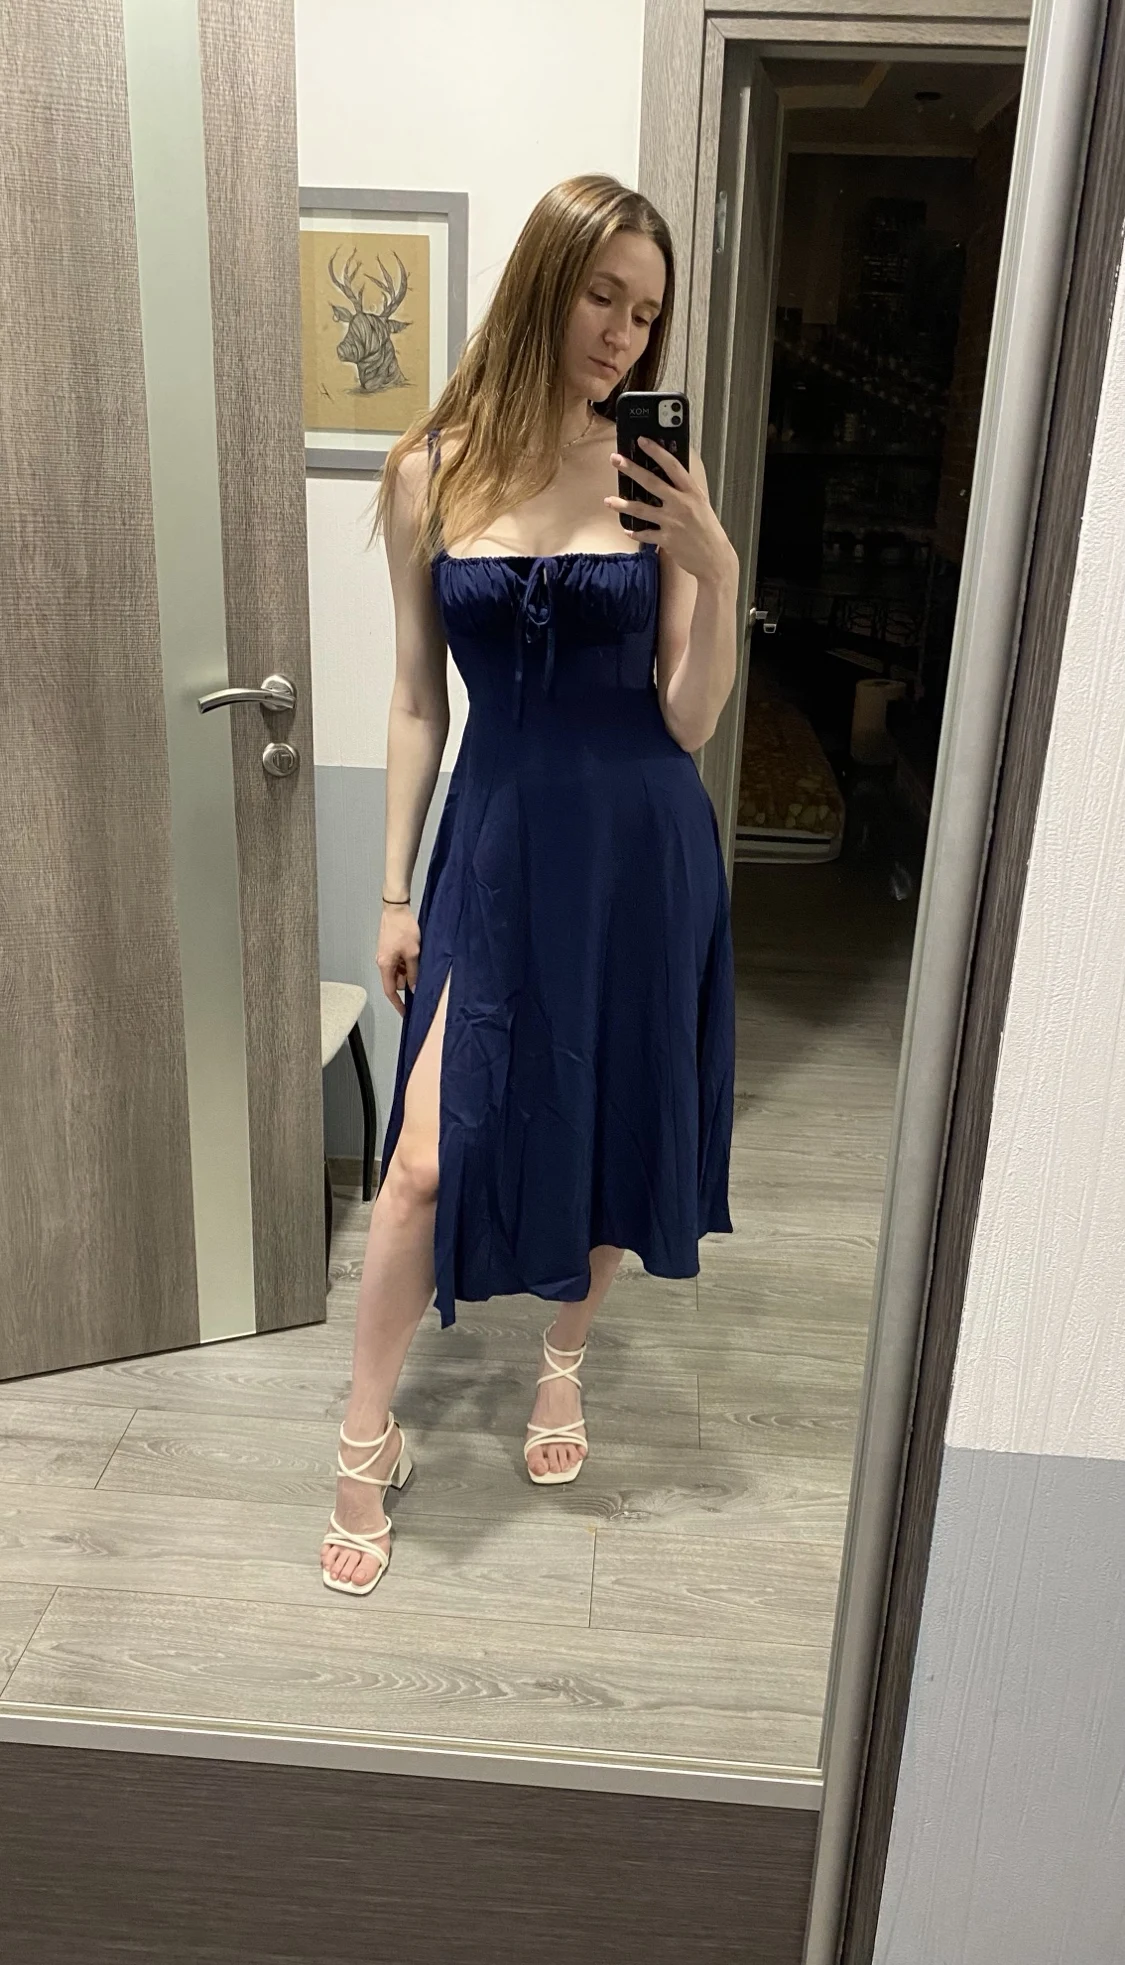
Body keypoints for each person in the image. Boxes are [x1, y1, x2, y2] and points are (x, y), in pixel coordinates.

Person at [321, 172, 739, 1596]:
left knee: (616, 1112)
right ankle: (365, 1432)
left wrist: (714, 570)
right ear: (543, 281)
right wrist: (393, 891)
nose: (624, 333)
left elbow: (687, 717)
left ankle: (564, 1358)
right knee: (425, 1161)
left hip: (640, 848)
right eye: (602, 294)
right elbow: (414, 699)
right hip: (497, 845)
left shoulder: (654, 477)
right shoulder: (427, 470)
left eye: (648, 312)